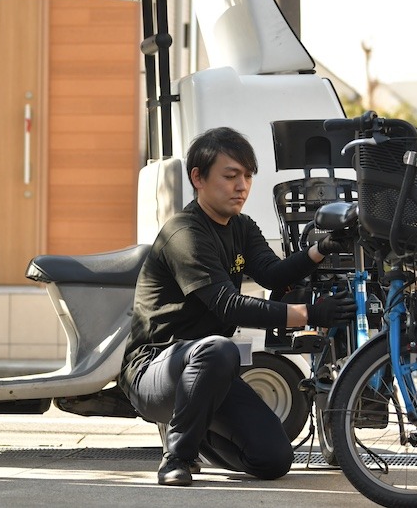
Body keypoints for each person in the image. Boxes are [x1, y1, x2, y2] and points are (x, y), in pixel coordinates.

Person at [118, 127, 356, 486]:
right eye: (230, 176)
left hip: (211, 372)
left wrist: (322, 248)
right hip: (154, 369)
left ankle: (196, 425)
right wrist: (310, 314)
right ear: (198, 178)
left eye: (247, 176)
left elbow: (273, 275)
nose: (242, 186)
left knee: (273, 460)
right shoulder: (184, 233)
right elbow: (227, 306)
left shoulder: (242, 227)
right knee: (218, 349)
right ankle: (178, 457)